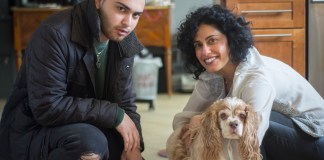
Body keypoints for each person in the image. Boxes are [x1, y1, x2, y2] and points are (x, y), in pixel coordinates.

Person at [165, 4, 324, 160]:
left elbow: (251, 139)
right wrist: (185, 138)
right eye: (198, 45)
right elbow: (185, 118)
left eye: (212, 41)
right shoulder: (212, 75)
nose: (205, 52)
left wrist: (199, 128)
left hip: (315, 137)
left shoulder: (256, 80)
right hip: (287, 128)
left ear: (230, 40)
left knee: (247, 126)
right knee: (217, 121)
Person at [0, 0, 146, 159]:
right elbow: (47, 107)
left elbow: (125, 102)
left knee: (121, 145)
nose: (128, 23)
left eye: (136, 15)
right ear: (98, 2)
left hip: (86, 123)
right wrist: (113, 114)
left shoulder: (124, 38)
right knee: (90, 144)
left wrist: (134, 145)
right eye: (121, 9)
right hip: (33, 129)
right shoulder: (55, 33)